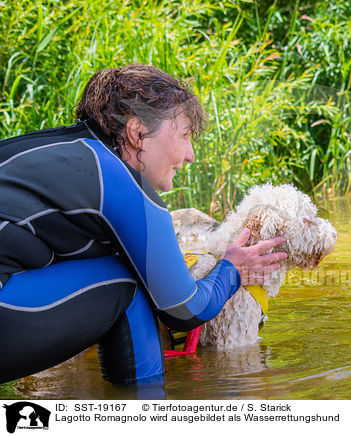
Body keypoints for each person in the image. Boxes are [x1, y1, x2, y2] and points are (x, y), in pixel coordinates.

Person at [0, 64, 286, 384]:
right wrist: (232, 268)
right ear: (138, 133)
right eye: (184, 135)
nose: (190, 154)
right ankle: (145, 414)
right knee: (130, 283)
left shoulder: (53, 152)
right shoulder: (116, 180)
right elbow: (184, 311)